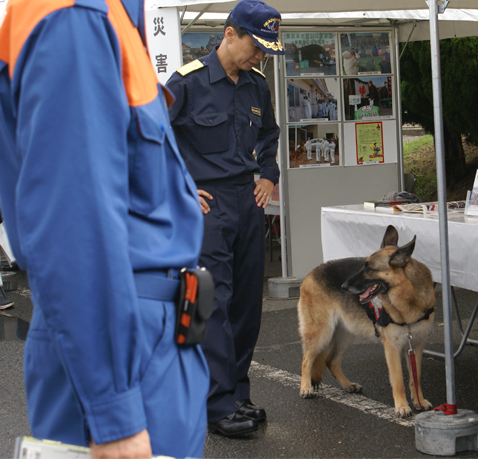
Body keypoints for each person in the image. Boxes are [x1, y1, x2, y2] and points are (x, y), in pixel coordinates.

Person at [0, 0, 209, 457]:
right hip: (124, 341)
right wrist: (114, 414)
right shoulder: (78, 16)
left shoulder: (109, 16)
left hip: (141, 333)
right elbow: (73, 231)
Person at [166, 0, 283, 438]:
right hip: (206, 206)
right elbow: (150, 136)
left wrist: (269, 175)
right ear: (230, 34)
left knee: (246, 304)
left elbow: (270, 134)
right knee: (207, 302)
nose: (261, 57)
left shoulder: (256, 85)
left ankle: (235, 391)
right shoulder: (187, 82)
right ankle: (213, 404)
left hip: (248, 201)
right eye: (257, 46)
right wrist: (175, 187)